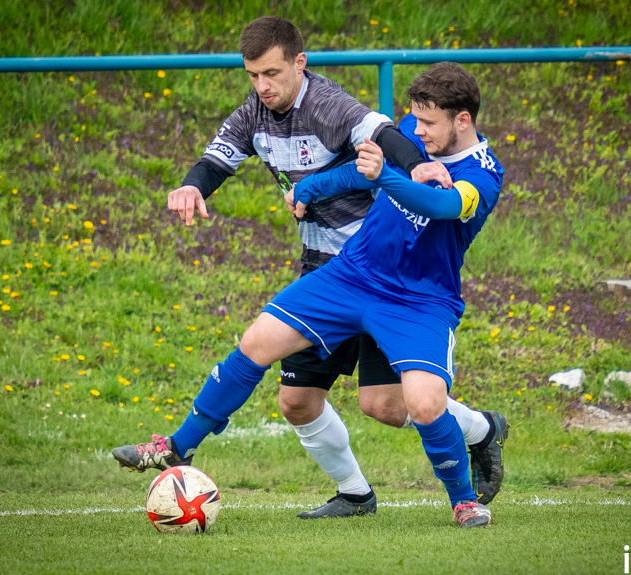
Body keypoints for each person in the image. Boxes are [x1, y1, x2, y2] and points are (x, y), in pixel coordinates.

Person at [122, 16, 508, 518]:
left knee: (409, 406)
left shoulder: (484, 173)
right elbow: (362, 170)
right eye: (414, 122)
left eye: (427, 125)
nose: (416, 132)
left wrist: (391, 175)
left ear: (462, 121)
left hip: (417, 296)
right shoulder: (417, 136)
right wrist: (310, 189)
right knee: (258, 344)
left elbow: (436, 206)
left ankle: (464, 498)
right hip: (353, 272)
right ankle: (179, 446)